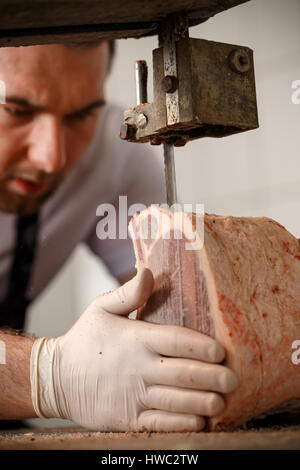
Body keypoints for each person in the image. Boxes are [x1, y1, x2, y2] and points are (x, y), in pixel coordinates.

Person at [0, 40, 238, 432]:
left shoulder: (114, 154)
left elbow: (178, 309)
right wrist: (48, 376)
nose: (51, 159)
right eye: (16, 110)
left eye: (81, 115)